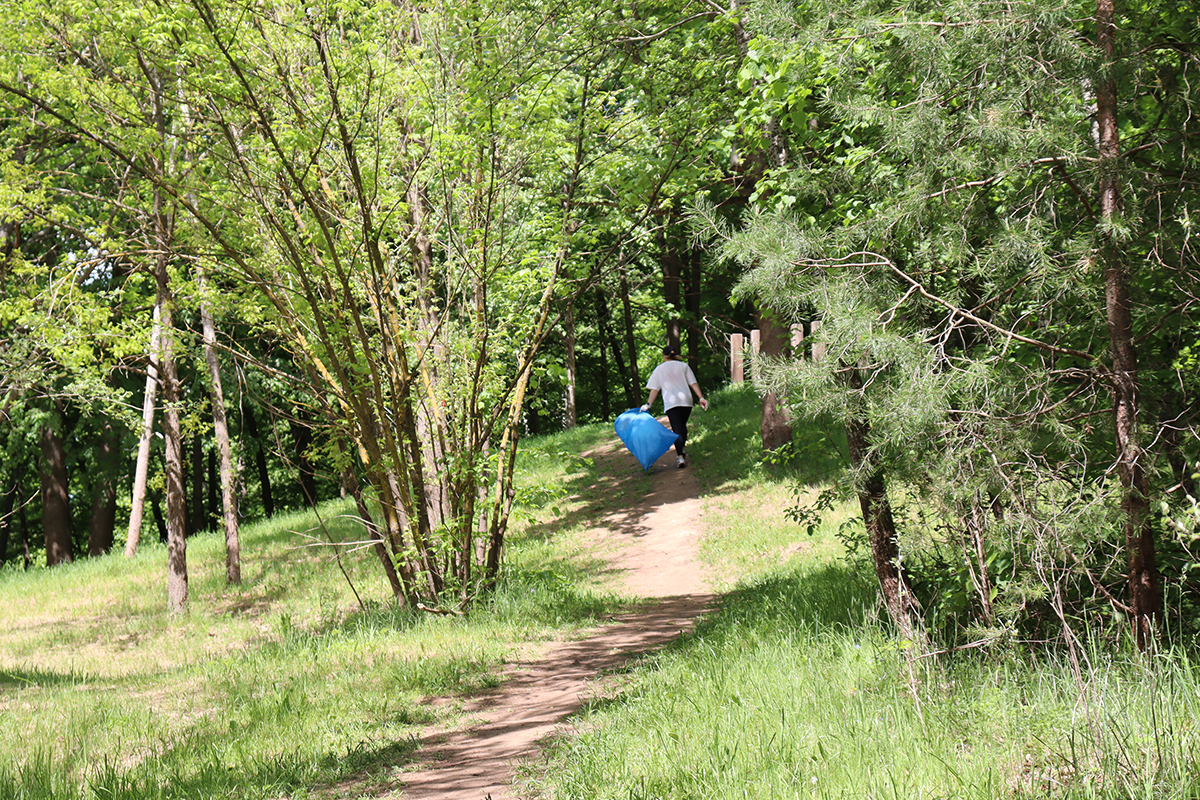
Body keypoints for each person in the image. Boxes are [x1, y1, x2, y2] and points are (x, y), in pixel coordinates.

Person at [641, 345, 708, 468]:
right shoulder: (684, 366)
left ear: (664, 356)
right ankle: (681, 450)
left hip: (671, 403)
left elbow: (654, 389)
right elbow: (693, 383)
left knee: (677, 429)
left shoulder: (659, 369)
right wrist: (701, 398)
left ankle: (680, 457)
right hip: (686, 400)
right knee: (682, 426)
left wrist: (649, 404)